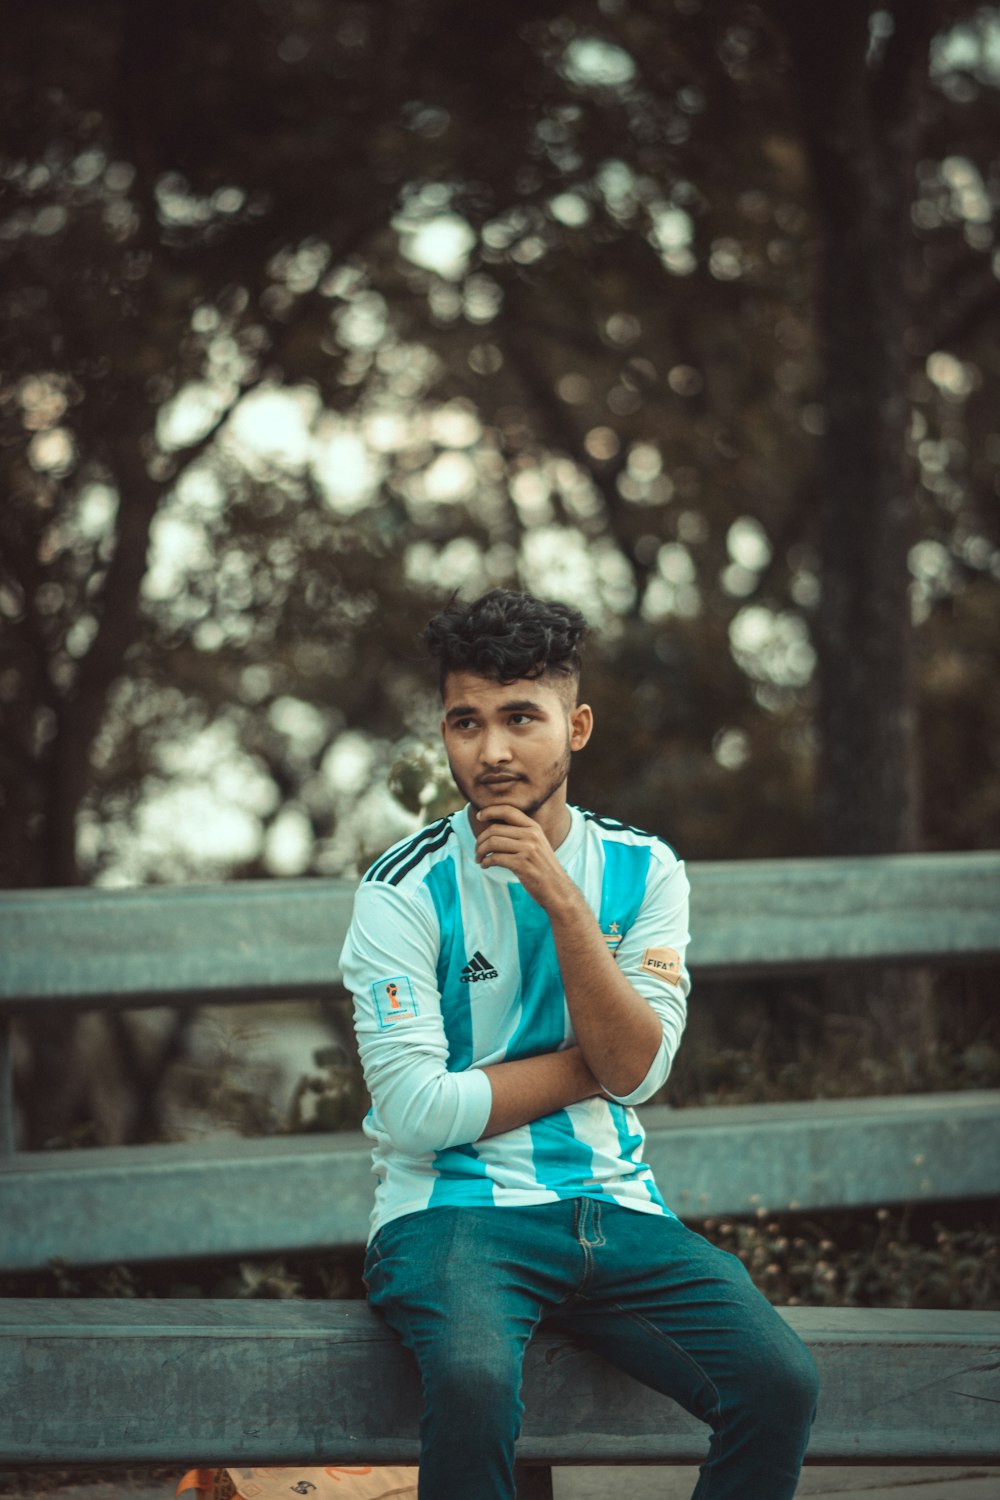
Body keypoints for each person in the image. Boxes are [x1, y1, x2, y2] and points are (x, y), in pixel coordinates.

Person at [339, 588, 818, 1500]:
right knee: (478, 1382)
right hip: (450, 1219)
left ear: (578, 725)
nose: (491, 751)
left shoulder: (646, 870)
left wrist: (564, 904)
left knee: (779, 1382)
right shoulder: (401, 892)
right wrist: (597, 1067)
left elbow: (639, 1072)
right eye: (465, 721)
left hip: (615, 1208)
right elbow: (416, 1113)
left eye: (521, 718)